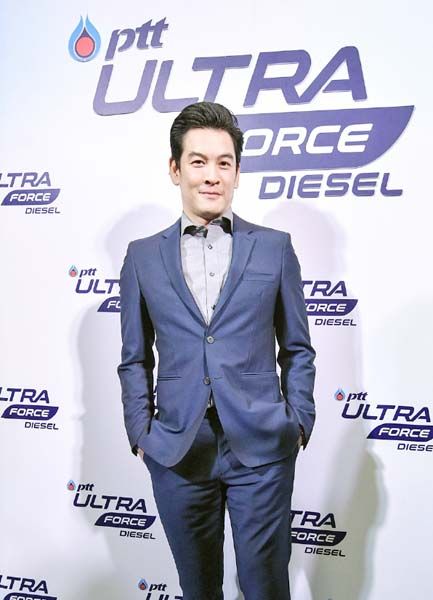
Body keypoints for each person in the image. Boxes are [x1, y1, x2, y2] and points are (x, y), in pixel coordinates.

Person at [118, 101, 316, 600]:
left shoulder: (274, 247)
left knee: (265, 587)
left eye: (224, 163)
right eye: (199, 161)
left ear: (237, 172)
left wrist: (299, 421)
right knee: (198, 589)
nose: (212, 175)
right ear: (175, 169)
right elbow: (134, 357)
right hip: (178, 450)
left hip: (262, 448)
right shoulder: (142, 257)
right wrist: (142, 433)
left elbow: (297, 347)